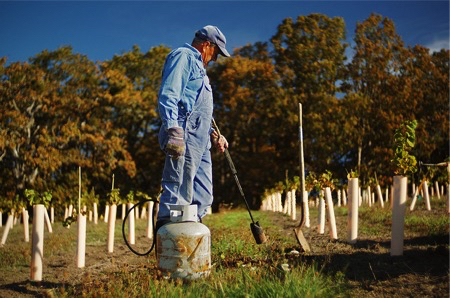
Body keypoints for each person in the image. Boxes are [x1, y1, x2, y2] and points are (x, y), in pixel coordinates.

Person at [156, 25, 230, 230]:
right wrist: (173, 128)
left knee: (203, 195)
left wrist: (215, 135)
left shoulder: (202, 72)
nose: (215, 59)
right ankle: (170, 243)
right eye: (216, 53)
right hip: (184, 135)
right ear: (207, 45)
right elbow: (169, 94)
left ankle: (192, 241)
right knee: (178, 190)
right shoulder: (184, 57)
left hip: (201, 141)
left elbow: (201, 109)